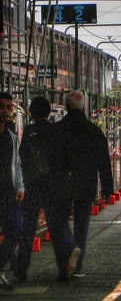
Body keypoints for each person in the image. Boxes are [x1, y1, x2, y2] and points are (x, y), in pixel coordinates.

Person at [18, 96, 77, 282]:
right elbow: (68, 160)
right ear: (49, 112)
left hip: (33, 186)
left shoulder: (28, 132)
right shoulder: (57, 131)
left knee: (28, 228)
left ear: (31, 112)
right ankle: (62, 268)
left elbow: (22, 158)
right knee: (56, 228)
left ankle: (22, 269)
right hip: (54, 187)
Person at [56, 90, 114, 277]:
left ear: (66, 106)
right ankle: (77, 267)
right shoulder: (94, 131)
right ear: (83, 107)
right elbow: (103, 161)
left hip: (62, 183)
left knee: (59, 221)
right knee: (82, 224)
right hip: (86, 184)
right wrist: (107, 188)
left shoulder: (57, 129)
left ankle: (66, 259)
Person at [0, 93, 27, 291]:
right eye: (2, 106)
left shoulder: (11, 137)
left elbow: (17, 165)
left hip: (8, 193)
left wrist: (20, 187)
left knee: (17, 230)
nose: (5, 111)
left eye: (9, 107)